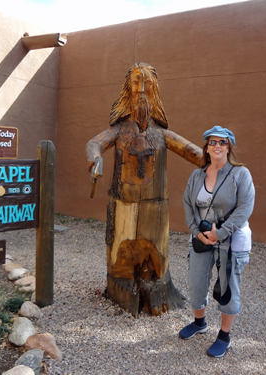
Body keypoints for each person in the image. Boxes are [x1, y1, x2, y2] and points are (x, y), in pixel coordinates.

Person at [86, 62, 202, 316]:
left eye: (146, 83)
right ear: (127, 89)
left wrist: (217, 161)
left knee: (156, 255)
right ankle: (120, 285)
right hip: (122, 205)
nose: (141, 90)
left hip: (155, 209)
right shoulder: (119, 131)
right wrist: (95, 158)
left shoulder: (162, 134)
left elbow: (192, 151)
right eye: (136, 83)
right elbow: (95, 143)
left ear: (154, 90)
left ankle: (157, 288)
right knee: (120, 258)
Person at [179, 125, 255, 358]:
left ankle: (224, 336)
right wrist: (196, 230)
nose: (217, 146)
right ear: (207, 147)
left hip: (231, 241)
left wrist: (220, 233)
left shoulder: (240, 174)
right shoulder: (197, 175)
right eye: (212, 142)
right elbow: (187, 204)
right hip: (201, 238)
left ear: (228, 146)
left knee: (228, 288)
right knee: (196, 281)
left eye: (222, 142)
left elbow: (245, 208)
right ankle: (199, 322)